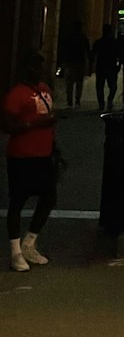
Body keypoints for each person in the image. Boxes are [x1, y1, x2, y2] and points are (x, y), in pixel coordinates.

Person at [2, 52, 57, 271]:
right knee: (18, 201)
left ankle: (29, 242)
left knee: (48, 197)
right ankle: (15, 251)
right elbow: (6, 125)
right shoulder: (16, 94)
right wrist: (33, 125)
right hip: (22, 155)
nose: (40, 71)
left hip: (44, 153)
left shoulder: (44, 88)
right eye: (36, 67)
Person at [59, 26, 91, 108]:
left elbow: (63, 49)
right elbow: (87, 50)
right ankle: (77, 101)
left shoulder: (68, 37)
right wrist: (89, 64)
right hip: (80, 62)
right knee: (79, 83)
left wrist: (62, 62)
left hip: (69, 62)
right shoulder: (83, 37)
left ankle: (69, 101)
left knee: (69, 83)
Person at [92, 24, 120, 111]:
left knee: (100, 86)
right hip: (111, 66)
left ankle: (101, 104)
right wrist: (119, 65)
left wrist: (92, 66)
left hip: (101, 66)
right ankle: (110, 100)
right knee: (113, 86)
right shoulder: (115, 42)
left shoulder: (98, 42)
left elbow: (93, 54)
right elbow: (120, 55)